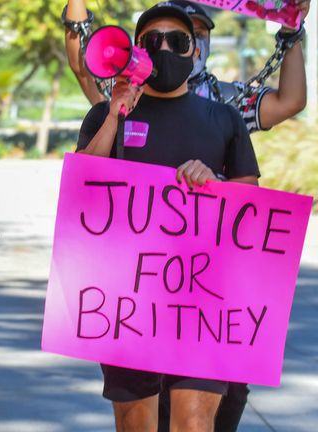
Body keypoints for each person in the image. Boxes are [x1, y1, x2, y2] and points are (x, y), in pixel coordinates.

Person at [77, 4, 260, 431]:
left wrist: (213, 183)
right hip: (128, 298)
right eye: (151, 41)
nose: (163, 49)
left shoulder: (225, 118)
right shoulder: (107, 114)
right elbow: (82, 183)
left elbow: (251, 200)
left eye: (175, 41)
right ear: (135, 52)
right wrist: (114, 113)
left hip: (203, 299)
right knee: (135, 422)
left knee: (194, 423)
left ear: (195, 51)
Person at [63, 0, 309, 132]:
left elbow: (290, 102)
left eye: (192, 36)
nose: (170, 47)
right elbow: (83, 67)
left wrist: (291, 29)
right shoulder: (123, 93)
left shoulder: (226, 100)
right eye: (159, 38)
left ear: (201, 47)